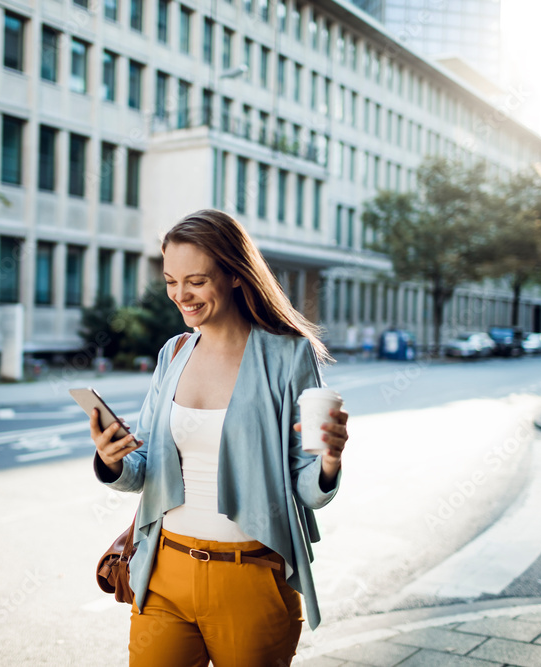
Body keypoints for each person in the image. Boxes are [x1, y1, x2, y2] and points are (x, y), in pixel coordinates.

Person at [89, 209, 349, 667]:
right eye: (171, 281)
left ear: (233, 275)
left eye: (196, 281)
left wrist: (328, 461)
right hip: (164, 570)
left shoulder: (288, 354)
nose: (180, 296)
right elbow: (142, 469)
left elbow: (308, 488)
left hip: (250, 577)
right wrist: (111, 460)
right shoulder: (174, 352)